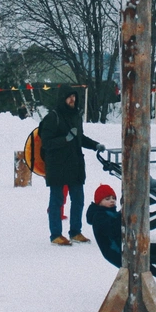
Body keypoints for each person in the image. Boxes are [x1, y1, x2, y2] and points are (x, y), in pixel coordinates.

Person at [39, 85, 105, 246]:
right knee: (57, 200)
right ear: (62, 98)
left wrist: (95, 144)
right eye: (69, 97)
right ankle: (55, 234)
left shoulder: (75, 115)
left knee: (78, 199)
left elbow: (80, 138)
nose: (72, 100)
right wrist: (65, 139)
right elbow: (46, 143)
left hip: (75, 164)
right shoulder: (52, 117)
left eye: (74, 97)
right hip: (57, 166)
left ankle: (75, 231)